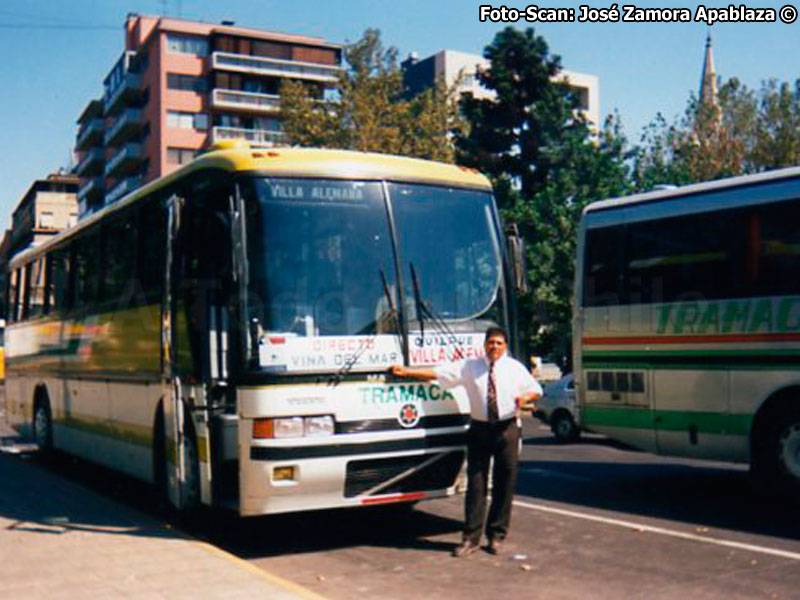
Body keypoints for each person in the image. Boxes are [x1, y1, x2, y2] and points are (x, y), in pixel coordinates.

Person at [390, 326, 542, 557]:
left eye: (499, 343)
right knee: (476, 485)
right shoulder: (470, 366)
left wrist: (524, 397)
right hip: (480, 429)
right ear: (485, 344)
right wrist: (407, 372)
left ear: (506, 346)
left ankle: (496, 536)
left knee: (504, 484)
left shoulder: (515, 368)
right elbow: (439, 373)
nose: (494, 347)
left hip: (507, 429)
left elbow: (535, 390)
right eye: (491, 342)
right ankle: (470, 538)